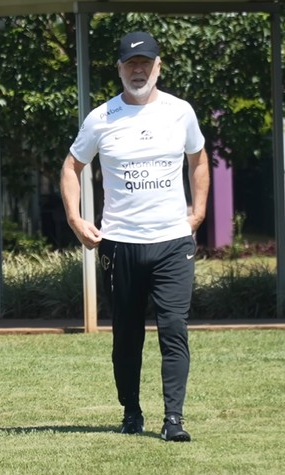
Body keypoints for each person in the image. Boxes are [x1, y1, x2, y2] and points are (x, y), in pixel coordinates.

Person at [59, 31, 210, 442]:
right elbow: (71, 167)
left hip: (172, 242)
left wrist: (198, 211)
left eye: (145, 62)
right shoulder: (101, 118)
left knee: (174, 328)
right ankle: (131, 411)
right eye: (131, 63)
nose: (138, 70)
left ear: (159, 66)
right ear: (120, 69)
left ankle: (174, 419)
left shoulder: (180, 112)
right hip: (120, 243)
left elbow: (198, 159)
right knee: (127, 334)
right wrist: (76, 218)